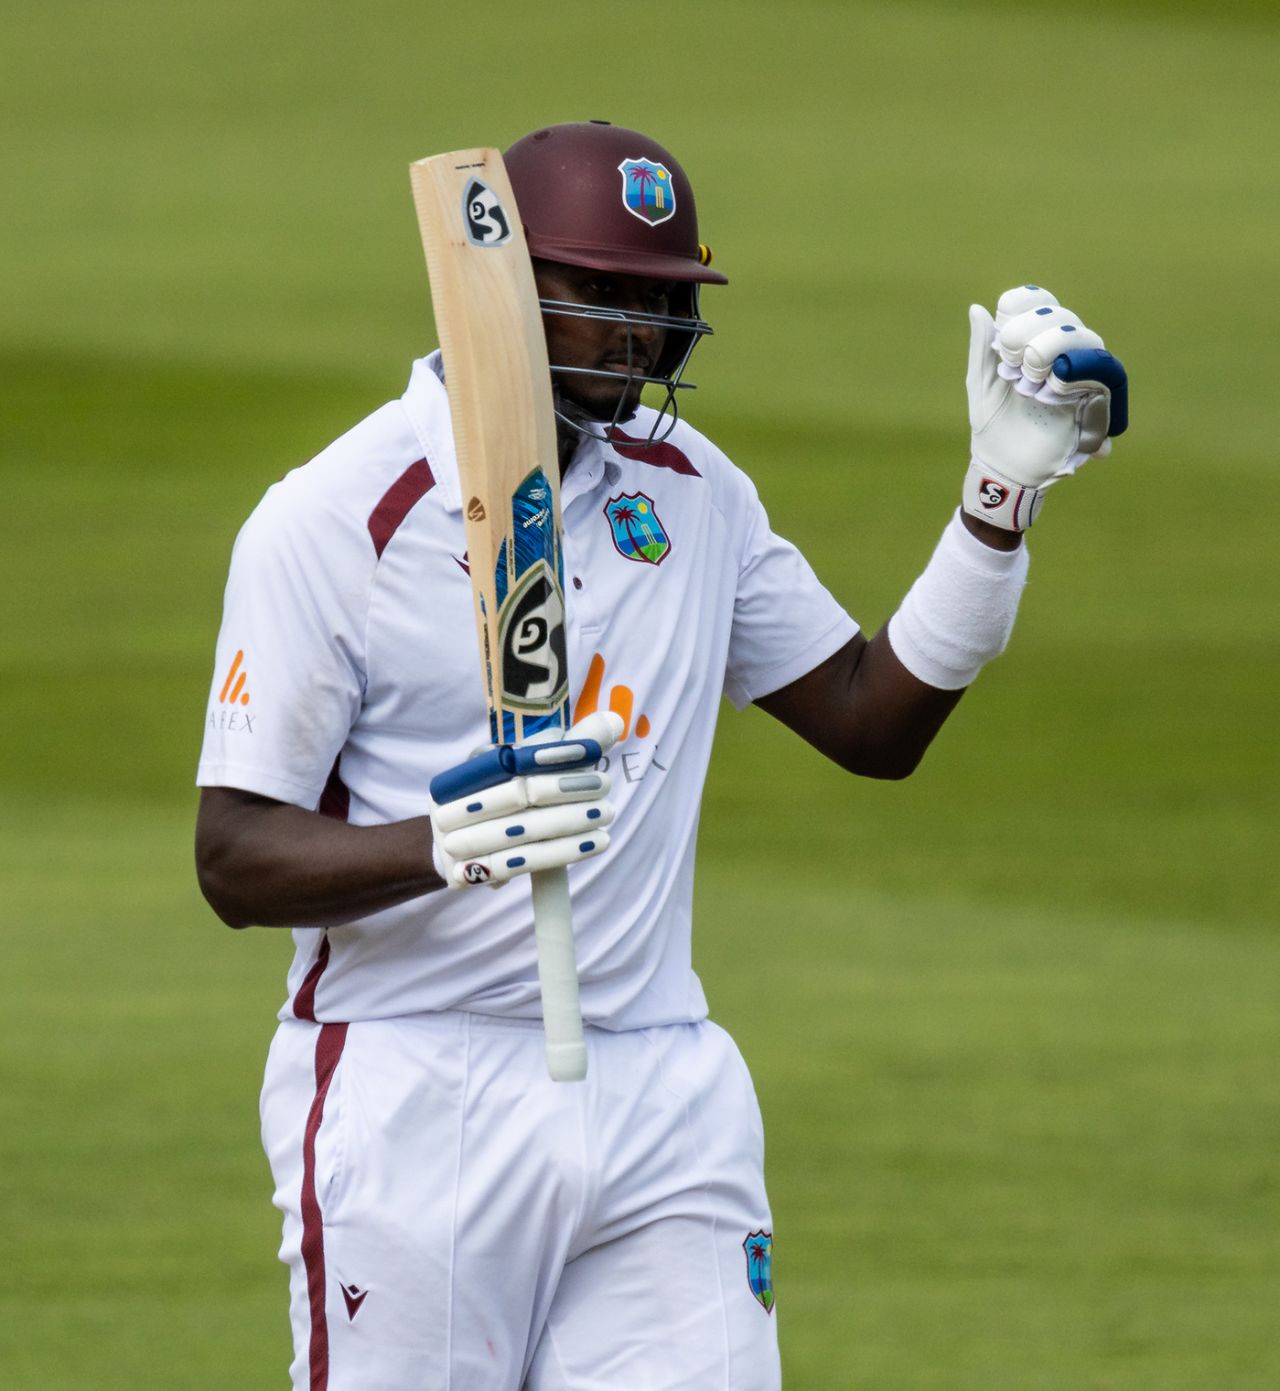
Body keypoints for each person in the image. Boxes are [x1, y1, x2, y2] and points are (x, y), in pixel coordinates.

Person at [195, 120, 1126, 1390]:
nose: (640, 331)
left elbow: (869, 722)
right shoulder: (338, 515)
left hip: (660, 1086)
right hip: (417, 1082)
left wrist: (993, 506)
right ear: (501, 284)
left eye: (663, 301)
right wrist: (449, 843)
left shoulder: (691, 487)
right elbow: (235, 857)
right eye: (605, 294)